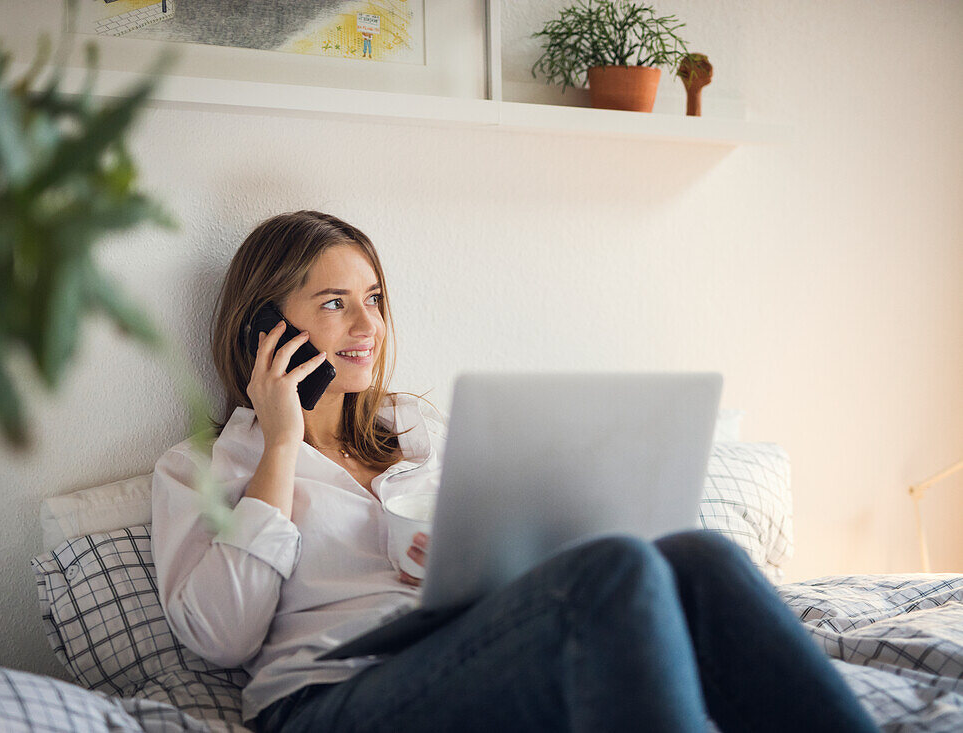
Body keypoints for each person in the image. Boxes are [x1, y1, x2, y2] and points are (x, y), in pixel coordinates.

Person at [151, 210, 878, 733]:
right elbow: (222, 636)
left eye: (373, 299)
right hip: (333, 697)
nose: (368, 326)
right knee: (617, 570)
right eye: (334, 304)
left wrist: (481, 566)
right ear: (264, 328)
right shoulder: (202, 468)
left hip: (470, 649)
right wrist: (281, 444)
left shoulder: (418, 432)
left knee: (698, 554)